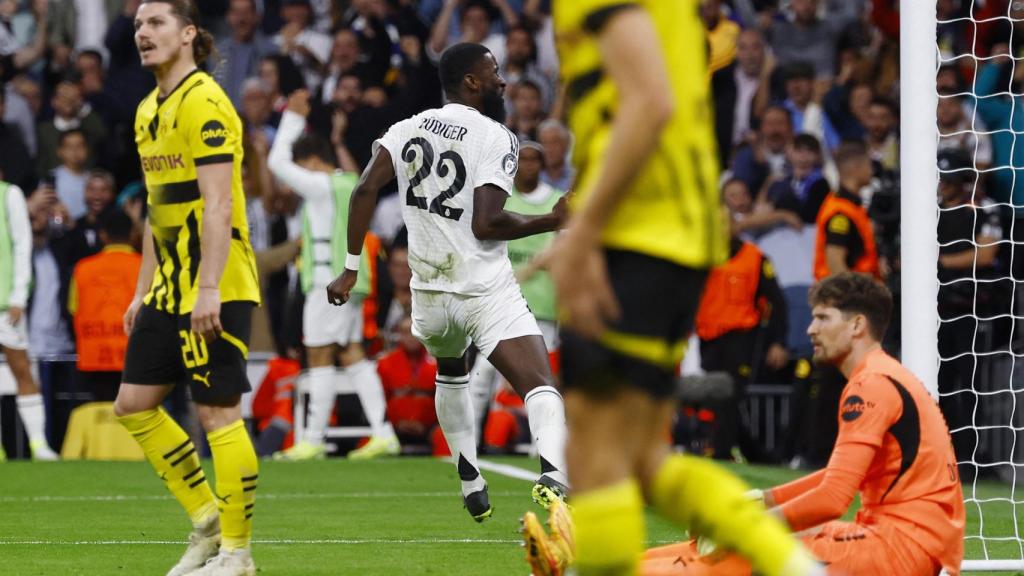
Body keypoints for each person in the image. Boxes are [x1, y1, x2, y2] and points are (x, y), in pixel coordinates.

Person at [525, 2, 819, 576]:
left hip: (638, 234)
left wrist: (584, 231)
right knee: (642, 462)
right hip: (679, 236)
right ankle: (795, 566)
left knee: (595, 460)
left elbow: (649, 102)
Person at [327, 42, 571, 522]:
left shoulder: (407, 128)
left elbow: (363, 190)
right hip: (482, 288)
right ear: (472, 82)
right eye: (494, 71)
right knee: (540, 384)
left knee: (451, 372)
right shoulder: (495, 136)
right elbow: (486, 223)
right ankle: (554, 477)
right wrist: (552, 220)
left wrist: (352, 266)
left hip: (429, 293)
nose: (502, 81)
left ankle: (469, 476)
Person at [641, 273, 965, 576]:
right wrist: (764, 499)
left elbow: (832, 498)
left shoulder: (871, 385)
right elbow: (842, 474)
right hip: (904, 540)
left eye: (823, 318)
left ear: (857, 326)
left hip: (898, 548)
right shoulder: (887, 375)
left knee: (722, 561)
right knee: (666, 557)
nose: (810, 329)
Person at [115, 2, 261, 575]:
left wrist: (207, 291)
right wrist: (140, 289)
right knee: (133, 404)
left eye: (155, 24)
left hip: (216, 284)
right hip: (169, 287)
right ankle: (206, 519)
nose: (143, 34)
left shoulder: (205, 100)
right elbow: (160, 210)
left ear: (188, 34)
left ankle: (237, 552)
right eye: (137, 26)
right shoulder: (148, 109)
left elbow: (219, 201)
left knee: (217, 414)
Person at [267, 88, 398, 461]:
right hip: (352, 278)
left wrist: (291, 119)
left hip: (327, 282)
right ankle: (383, 433)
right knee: (353, 354)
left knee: (319, 355)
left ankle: (312, 438)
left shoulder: (321, 186)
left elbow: (277, 162)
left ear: (309, 161)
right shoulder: (349, 181)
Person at [470, 141, 563, 438]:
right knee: (482, 375)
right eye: (522, 159)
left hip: (543, 305)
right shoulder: (499, 198)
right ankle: (466, 445)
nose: (527, 165)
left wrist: (533, 268)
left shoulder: (558, 200)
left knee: (539, 378)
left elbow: (567, 245)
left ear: (543, 164)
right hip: (499, 301)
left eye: (534, 159)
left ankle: (544, 447)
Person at [0, 177, 58, 461]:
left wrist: (18, 296)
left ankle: (39, 444)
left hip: (5, 304)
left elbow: (22, 245)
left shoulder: (9, 194)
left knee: (22, 369)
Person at [68, 209, 141, 402]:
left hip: (94, 359)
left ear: (103, 235)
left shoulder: (82, 268)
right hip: (135, 358)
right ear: (133, 234)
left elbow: (72, 309)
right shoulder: (144, 267)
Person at [813, 141, 879, 280]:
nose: (871, 171)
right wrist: (856, 295)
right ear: (855, 168)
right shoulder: (840, 213)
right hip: (841, 297)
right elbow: (835, 263)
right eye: (868, 165)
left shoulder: (851, 206)